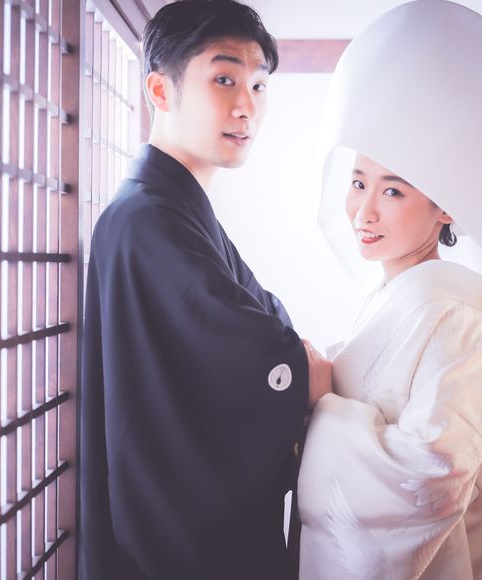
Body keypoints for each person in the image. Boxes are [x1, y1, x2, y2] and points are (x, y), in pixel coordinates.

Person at [79, 2, 332, 579]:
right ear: (160, 90)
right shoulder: (147, 218)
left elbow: (266, 326)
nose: (247, 106)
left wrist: (288, 353)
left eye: (259, 85)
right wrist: (296, 368)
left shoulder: (172, 210)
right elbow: (278, 358)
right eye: (224, 79)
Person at [298, 1, 482, 579]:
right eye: (358, 183)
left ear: (445, 205)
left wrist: (321, 404)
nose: (364, 212)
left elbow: (433, 474)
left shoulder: (453, 310)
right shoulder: (401, 293)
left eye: (393, 191)